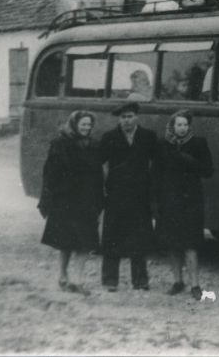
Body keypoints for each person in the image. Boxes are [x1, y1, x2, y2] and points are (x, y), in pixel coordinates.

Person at [38, 110, 104, 295]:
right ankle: (63, 275)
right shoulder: (60, 143)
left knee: (85, 242)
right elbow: (50, 172)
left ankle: (78, 280)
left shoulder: (93, 145)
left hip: (87, 200)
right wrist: (50, 196)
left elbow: (98, 174)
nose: (87, 128)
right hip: (65, 200)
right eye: (83, 124)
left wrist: (99, 199)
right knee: (65, 241)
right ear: (75, 124)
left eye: (89, 125)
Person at [153, 110, 214, 300]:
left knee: (191, 243)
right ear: (172, 126)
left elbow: (208, 171)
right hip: (169, 200)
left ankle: (195, 285)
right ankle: (177, 281)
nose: (182, 128)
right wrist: (156, 200)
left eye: (185, 125)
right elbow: (156, 173)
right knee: (172, 244)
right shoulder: (163, 145)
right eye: (179, 125)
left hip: (190, 201)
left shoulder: (198, 143)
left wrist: (191, 161)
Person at [99, 102, 158, 291]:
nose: (126, 120)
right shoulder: (109, 137)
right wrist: (104, 187)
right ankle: (110, 281)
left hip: (140, 196)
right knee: (112, 237)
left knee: (139, 238)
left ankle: (140, 281)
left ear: (137, 117)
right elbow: (99, 164)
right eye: (123, 117)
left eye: (130, 116)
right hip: (116, 195)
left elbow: (156, 164)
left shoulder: (148, 137)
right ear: (119, 119)